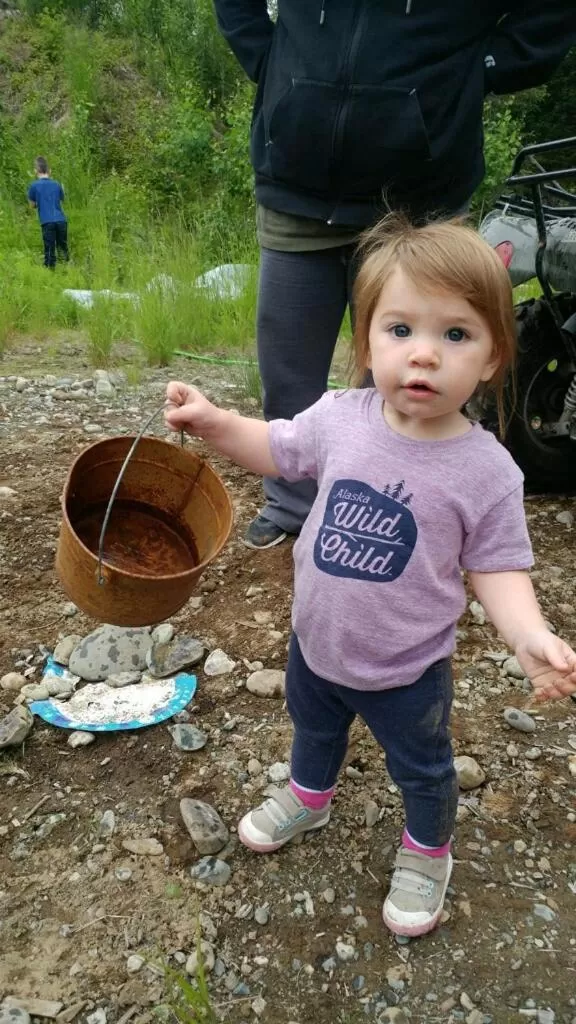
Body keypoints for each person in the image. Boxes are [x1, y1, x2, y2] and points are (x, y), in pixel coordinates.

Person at [164, 217, 576, 937]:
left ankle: (428, 849)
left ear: (491, 358)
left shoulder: (487, 472)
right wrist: (214, 421)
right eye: (399, 330)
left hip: (407, 667)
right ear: (365, 342)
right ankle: (310, 795)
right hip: (316, 644)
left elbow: (498, 568)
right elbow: (275, 448)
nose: (423, 355)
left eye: (455, 335)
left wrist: (529, 633)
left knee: (422, 767)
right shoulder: (340, 418)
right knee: (312, 729)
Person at [213, 0, 576, 549]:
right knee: (287, 369)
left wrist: (482, 70)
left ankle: (388, 502)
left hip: (418, 197)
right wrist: (268, 64)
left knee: (407, 371)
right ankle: (292, 505)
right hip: (296, 185)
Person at [28, 157, 69, 269]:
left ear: (35, 171)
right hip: (61, 220)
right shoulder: (56, 184)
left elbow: (32, 205)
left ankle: (50, 271)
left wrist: (38, 203)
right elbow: (60, 200)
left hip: (47, 221)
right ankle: (66, 269)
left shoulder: (33, 186)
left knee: (49, 249)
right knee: (63, 247)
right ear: (49, 171)